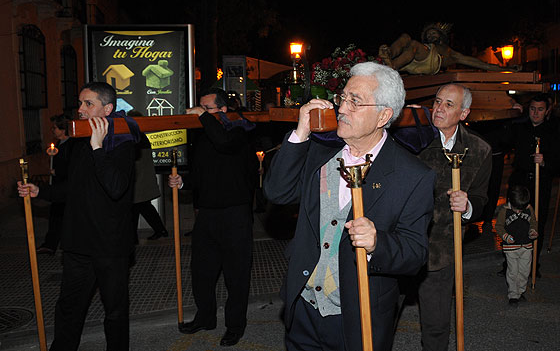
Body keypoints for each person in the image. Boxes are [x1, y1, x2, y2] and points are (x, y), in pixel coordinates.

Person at [264, 62, 435, 351]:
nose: (342, 108)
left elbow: (415, 253)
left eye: (355, 101)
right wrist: (301, 133)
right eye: (343, 98)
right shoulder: (319, 152)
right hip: (303, 307)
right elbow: (277, 192)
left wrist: (378, 243)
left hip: (357, 315)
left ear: (384, 115)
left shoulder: (412, 175)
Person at [18, 82, 137, 351]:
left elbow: (116, 187)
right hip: (78, 243)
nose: (80, 110)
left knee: (115, 312)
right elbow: (74, 187)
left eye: (88, 104)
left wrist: (98, 148)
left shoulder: (123, 142)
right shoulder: (78, 141)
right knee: (69, 308)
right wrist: (41, 191)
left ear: (107, 109)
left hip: (110, 245)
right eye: (80, 103)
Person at [169, 87, 257, 347]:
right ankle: (205, 317)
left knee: (236, 275)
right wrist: (183, 181)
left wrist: (205, 119)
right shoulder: (205, 135)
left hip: (235, 214)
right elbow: (203, 172)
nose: (201, 113)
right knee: (202, 272)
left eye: (206, 108)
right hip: (207, 214)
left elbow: (224, 143)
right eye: (201, 108)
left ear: (223, 110)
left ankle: (235, 326)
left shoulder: (239, 129)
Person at [415, 83, 492, 351]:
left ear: (464, 113)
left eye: (449, 104)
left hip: (442, 249)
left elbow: (482, 199)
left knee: (436, 326)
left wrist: (468, 205)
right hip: (401, 242)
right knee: (380, 319)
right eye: (437, 102)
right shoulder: (414, 139)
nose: (439, 108)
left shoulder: (480, 150)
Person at [505, 94, 560, 275]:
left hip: (540, 184)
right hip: (519, 183)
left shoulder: (554, 131)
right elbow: (504, 139)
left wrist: (545, 161)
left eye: (540, 109)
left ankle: (533, 265)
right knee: (513, 223)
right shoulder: (520, 128)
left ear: (547, 111)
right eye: (532, 109)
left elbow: (557, 163)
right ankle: (509, 264)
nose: (535, 113)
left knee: (536, 224)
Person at [378, 22, 519, 74]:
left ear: (441, 36)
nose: (431, 36)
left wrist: (505, 69)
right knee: (405, 37)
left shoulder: (449, 52)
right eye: (428, 34)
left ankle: (392, 66)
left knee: (413, 44)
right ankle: (388, 54)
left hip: (430, 62)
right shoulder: (418, 47)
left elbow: (478, 63)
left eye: (434, 33)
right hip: (410, 61)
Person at [127, 110, 168, 242]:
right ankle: (159, 230)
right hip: (142, 179)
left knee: (137, 208)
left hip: (139, 179)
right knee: (142, 207)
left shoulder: (135, 138)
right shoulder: (140, 137)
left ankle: (134, 238)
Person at [495, 185, 538, 306]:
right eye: (516, 209)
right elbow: (498, 226)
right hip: (511, 248)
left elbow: (533, 222)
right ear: (510, 201)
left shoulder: (528, 208)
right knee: (513, 271)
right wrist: (505, 236)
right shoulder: (505, 210)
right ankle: (513, 294)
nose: (519, 211)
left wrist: (533, 231)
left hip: (526, 245)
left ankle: (520, 291)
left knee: (524, 271)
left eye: (521, 209)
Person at [37, 114, 72, 255]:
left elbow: (71, 167)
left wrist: (57, 172)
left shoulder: (71, 145)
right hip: (58, 187)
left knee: (62, 217)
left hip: (65, 187)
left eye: (55, 128)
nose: (53, 131)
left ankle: (56, 244)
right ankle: (50, 244)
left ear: (63, 130)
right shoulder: (59, 144)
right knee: (56, 217)